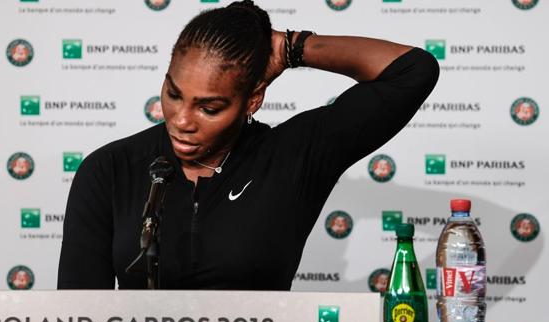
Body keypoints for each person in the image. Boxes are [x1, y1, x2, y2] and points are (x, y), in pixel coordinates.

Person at [57, 0, 439, 290]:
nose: (182, 120)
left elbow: (413, 72)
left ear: (253, 100)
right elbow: (79, 319)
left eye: (209, 107)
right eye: (174, 94)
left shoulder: (293, 156)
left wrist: (291, 48)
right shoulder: (109, 169)